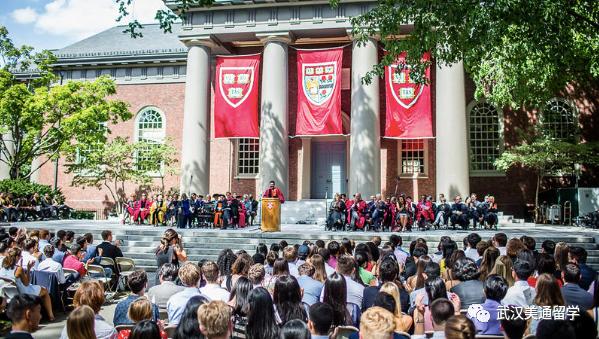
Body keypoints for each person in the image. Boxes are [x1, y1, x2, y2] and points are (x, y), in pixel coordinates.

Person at [0, 248, 54, 321]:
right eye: (20, 256)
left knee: (39, 289)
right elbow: (26, 283)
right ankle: (51, 316)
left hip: (9, 294)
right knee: (45, 291)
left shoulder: (2, 268)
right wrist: (28, 268)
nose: (21, 257)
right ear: (16, 257)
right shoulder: (19, 269)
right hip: (23, 292)